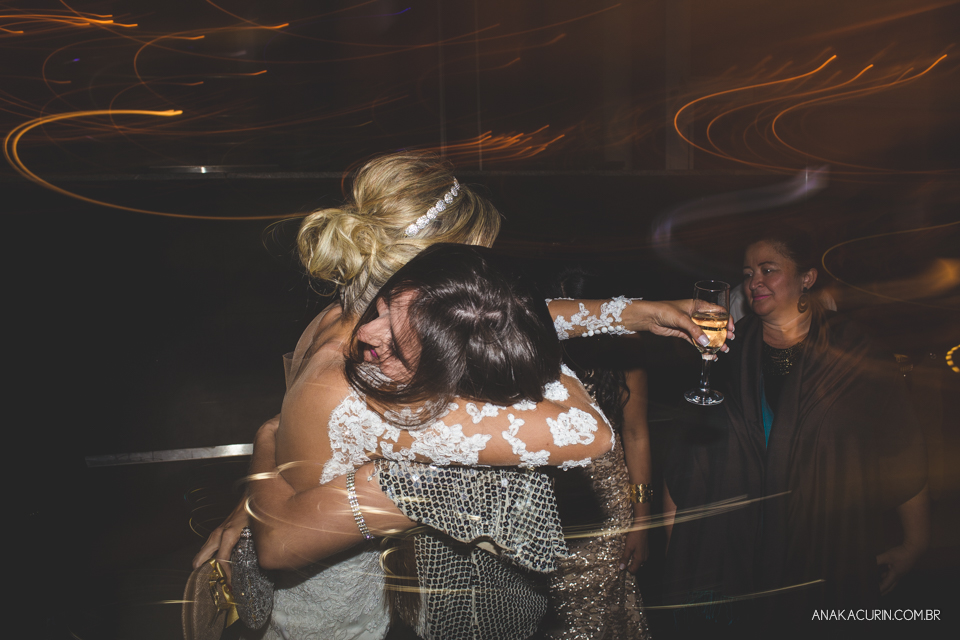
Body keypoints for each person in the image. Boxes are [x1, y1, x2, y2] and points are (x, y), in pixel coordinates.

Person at [191, 151, 731, 637]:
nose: (487, 282)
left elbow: (490, 316)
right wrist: (531, 349)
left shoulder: (343, 319)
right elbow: (584, 433)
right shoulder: (373, 386)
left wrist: (634, 313)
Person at [662, 228, 929, 635]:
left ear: (807, 277)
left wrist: (915, 542)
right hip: (735, 552)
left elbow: (900, 444)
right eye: (749, 272)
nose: (754, 282)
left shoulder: (856, 349)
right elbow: (688, 458)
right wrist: (673, 547)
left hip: (825, 548)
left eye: (769, 269)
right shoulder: (723, 355)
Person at [541, 270, 653, 640]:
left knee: (606, 619)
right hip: (547, 509)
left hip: (608, 510)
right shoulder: (532, 354)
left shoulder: (624, 355)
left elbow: (636, 435)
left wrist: (641, 519)